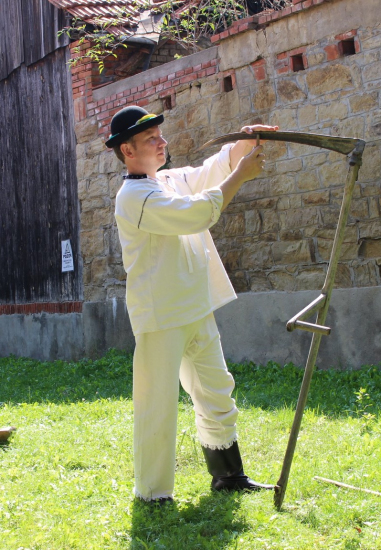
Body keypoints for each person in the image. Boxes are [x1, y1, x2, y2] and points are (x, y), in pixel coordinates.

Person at [106, 105, 278, 503]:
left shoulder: (166, 180)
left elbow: (208, 172)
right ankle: (153, 493)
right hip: (162, 315)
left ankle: (228, 475)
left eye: (160, 135)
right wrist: (242, 174)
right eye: (151, 139)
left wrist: (242, 143)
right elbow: (196, 214)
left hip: (196, 306)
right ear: (128, 150)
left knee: (217, 389)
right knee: (157, 404)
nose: (162, 142)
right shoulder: (133, 197)